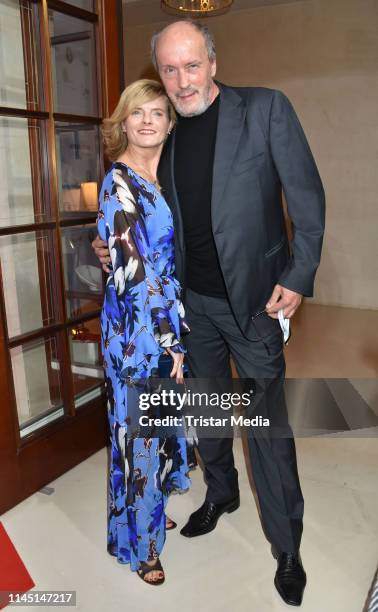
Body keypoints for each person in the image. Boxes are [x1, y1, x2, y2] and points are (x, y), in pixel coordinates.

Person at [93, 20, 325, 605]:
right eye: (169, 69)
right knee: (211, 413)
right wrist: (109, 244)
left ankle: (287, 544)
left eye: (191, 65)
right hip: (190, 308)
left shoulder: (266, 109)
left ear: (213, 63)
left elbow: (307, 197)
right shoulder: (165, 132)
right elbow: (144, 210)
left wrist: (297, 275)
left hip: (253, 304)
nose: (181, 79)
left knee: (266, 426)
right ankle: (220, 493)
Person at [97, 78, 191, 585]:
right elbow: (133, 274)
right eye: (139, 113)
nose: (149, 120)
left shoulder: (166, 175)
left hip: (167, 317)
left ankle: (151, 508)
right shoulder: (118, 183)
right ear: (124, 122)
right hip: (137, 331)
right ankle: (141, 544)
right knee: (140, 436)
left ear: (169, 123)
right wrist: (168, 339)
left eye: (158, 112)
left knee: (162, 425)